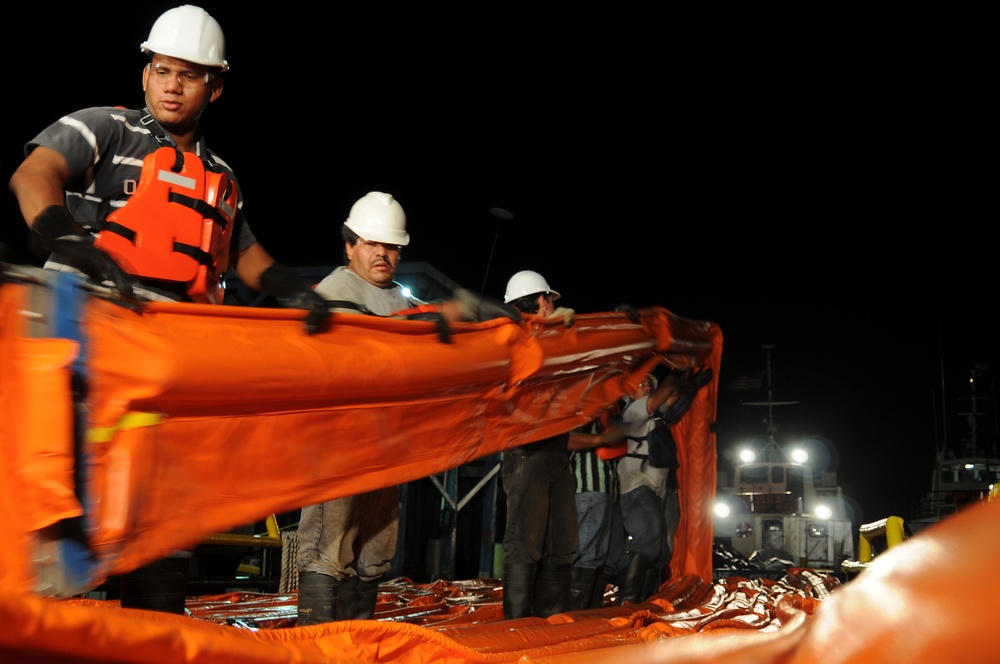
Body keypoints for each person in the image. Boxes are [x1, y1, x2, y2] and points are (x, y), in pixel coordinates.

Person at [7, 5, 329, 613]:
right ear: (146, 73)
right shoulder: (104, 127)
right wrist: (65, 234)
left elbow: (241, 251)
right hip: (88, 341)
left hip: (170, 365)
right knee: (61, 513)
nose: (172, 84)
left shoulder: (221, 175)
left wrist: (293, 288)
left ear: (216, 86)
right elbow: (35, 173)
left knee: (158, 525)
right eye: (161, 70)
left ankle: (151, 627)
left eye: (188, 74)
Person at [296, 191, 519, 625]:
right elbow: (360, 341)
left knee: (372, 557)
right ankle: (315, 648)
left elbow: (432, 332)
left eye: (392, 246)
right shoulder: (335, 289)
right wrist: (446, 315)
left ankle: (355, 647)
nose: (383, 253)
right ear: (350, 245)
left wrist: (491, 319)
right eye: (372, 243)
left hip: (388, 452)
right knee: (327, 550)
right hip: (339, 449)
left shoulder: (404, 300)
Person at [498, 270, 579, 619]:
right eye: (549, 300)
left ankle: (550, 625)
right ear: (541, 300)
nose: (552, 306)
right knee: (524, 542)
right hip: (525, 450)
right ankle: (517, 628)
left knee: (560, 542)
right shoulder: (512, 337)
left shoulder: (554, 337)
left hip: (556, 451)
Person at [565, 407, 627, 610]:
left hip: (608, 489)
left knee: (605, 555)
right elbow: (568, 439)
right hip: (591, 487)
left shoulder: (610, 411)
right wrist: (603, 439)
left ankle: (587, 612)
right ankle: (575, 614)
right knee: (588, 552)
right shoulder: (585, 410)